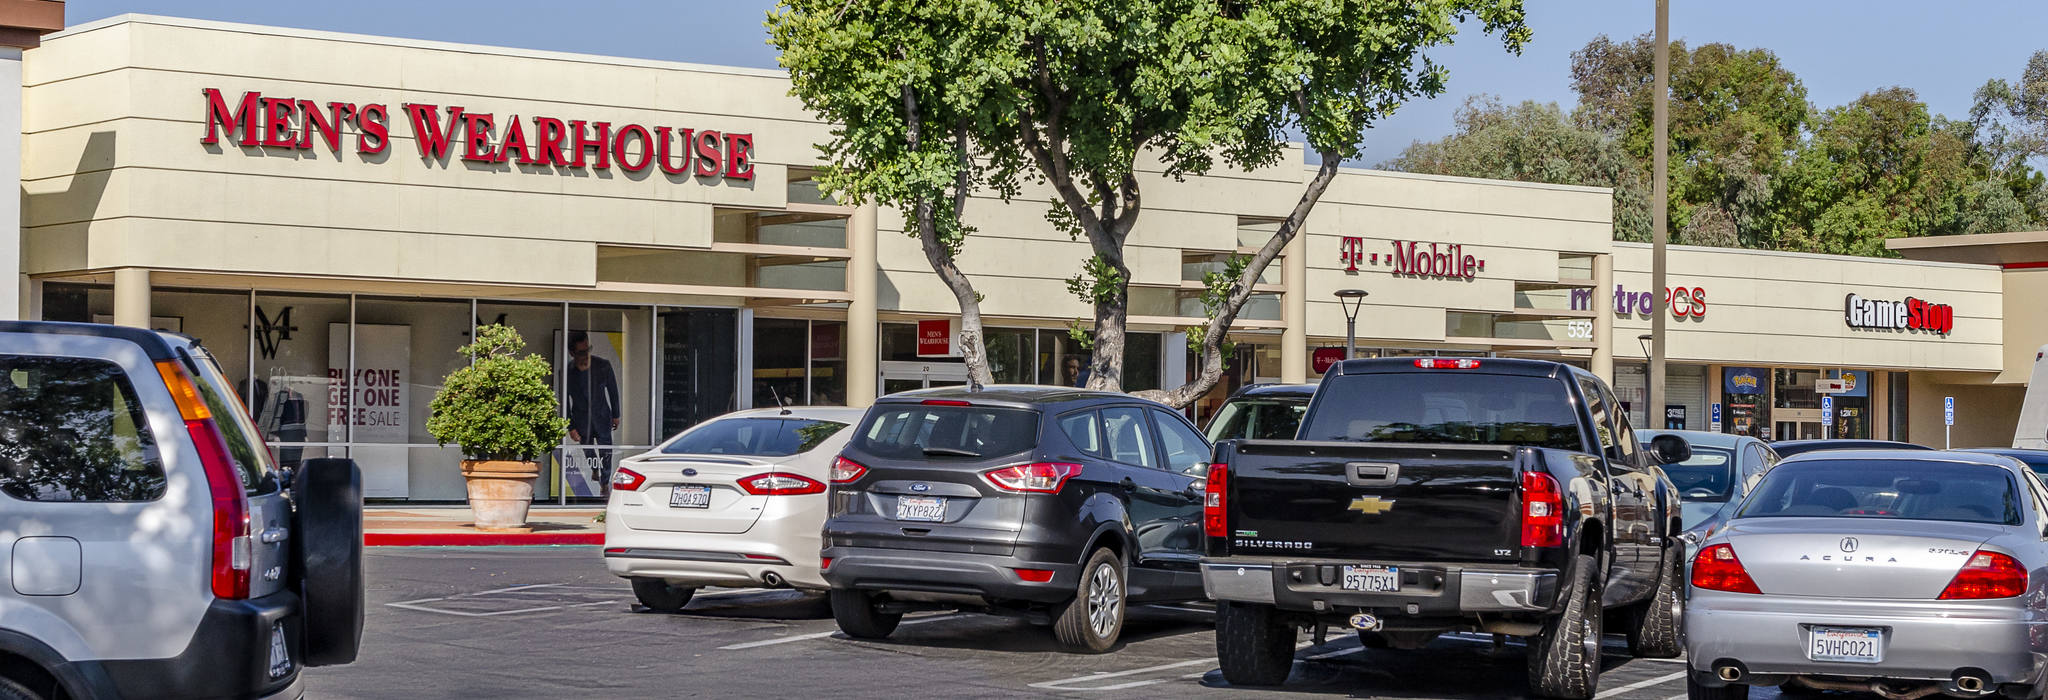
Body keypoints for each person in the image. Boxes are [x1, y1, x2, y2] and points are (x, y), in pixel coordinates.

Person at [565, 331, 620, 491]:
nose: (586, 355)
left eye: (588, 350)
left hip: (602, 415)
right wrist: (571, 426)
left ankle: (604, 482)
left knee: (606, 452)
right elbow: (564, 401)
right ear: (572, 353)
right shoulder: (568, 372)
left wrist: (616, 414)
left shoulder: (603, 365)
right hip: (581, 418)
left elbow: (613, 391)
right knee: (588, 449)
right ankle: (595, 469)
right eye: (581, 352)